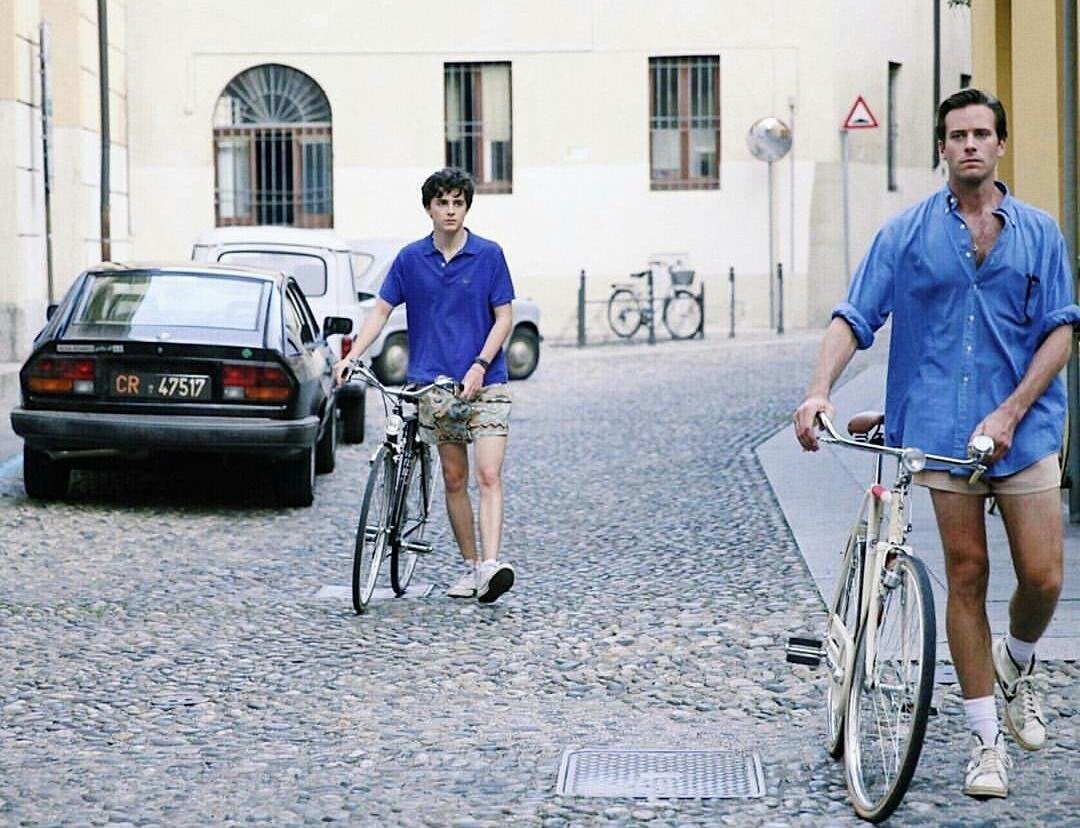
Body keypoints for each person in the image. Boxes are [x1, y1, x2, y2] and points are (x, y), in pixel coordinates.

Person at [793, 88, 1080, 800]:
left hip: (1026, 426)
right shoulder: (906, 234)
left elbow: (1062, 331)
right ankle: (986, 741)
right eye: (958, 135)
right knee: (966, 574)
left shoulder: (1040, 232)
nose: (971, 145)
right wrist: (820, 388)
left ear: (1001, 145)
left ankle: (1016, 663)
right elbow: (853, 316)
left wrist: (1011, 413)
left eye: (983, 133)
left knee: (1043, 577)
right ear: (942, 148)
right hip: (941, 433)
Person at [335, 167, 516, 604]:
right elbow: (379, 313)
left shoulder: (489, 255)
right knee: (454, 478)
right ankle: (473, 568)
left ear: (466, 207)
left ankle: (491, 566)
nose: (450, 210)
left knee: (489, 474)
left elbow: (504, 318)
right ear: (429, 208)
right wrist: (353, 355)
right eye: (442, 203)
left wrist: (479, 364)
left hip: (485, 382)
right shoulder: (410, 259)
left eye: (458, 202)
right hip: (433, 384)